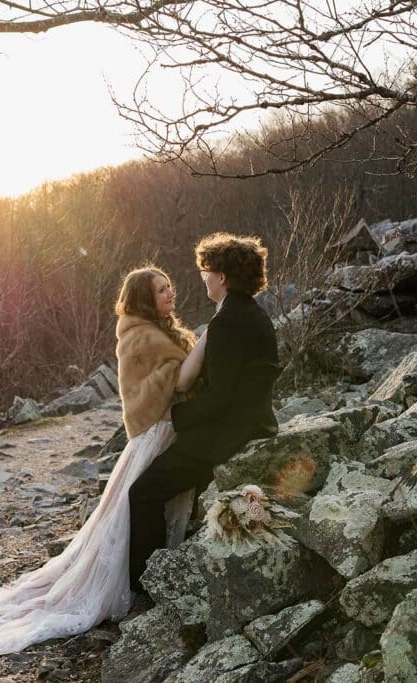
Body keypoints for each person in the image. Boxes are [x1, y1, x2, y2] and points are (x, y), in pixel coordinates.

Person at [0, 265, 206, 661]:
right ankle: (140, 584)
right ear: (145, 298)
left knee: (140, 511)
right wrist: (203, 348)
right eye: (161, 290)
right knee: (135, 513)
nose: (170, 295)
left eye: (170, 287)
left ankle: (152, 578)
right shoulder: (139, 336)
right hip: (155, 435)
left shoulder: (158, 330)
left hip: (168, 431)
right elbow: (165, 385)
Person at [128, 233, 280, 590]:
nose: (204, 277)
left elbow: (221, 397)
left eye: (206, 270)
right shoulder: (248, 313)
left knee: (143, 492)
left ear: (222, 277)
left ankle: (146, 586)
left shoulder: (229, 320)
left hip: (227, 434)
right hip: (242, 424)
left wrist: (175, 418)